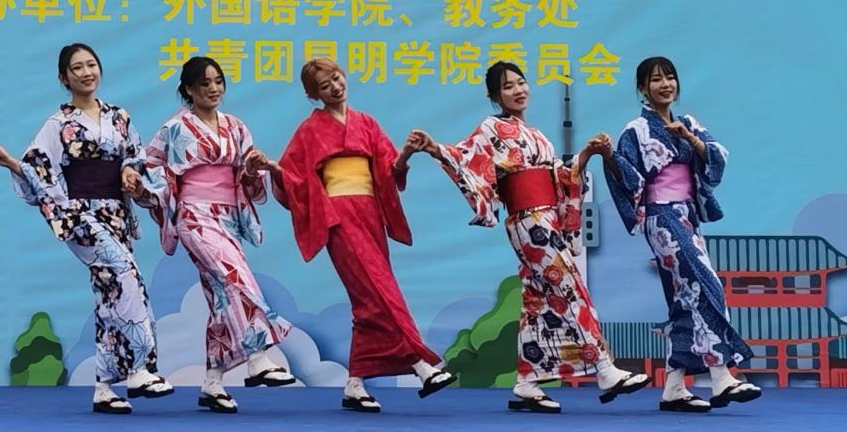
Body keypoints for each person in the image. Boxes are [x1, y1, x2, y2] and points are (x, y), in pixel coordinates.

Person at [414, 61, 649, 413]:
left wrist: (587, 153)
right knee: (570, 288)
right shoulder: (492, 128)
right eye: (508, 86)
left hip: (546, 217)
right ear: (495, 96)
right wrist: (435, 148)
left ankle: (526, 382)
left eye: (521, 83)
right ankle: (604, 368)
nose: (518, 90)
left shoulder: (537, 135)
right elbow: (465, 156)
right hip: (529, 220)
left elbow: (561, 178)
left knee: (536, 302)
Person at [245, 58, 455, 413]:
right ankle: (422, 365)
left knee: (366, 301)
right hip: (338, 216)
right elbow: (296, 180)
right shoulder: (309, 130)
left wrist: (407, 152)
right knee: (381, 291)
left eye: (336, 78)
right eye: (324, 85)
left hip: (370, 214)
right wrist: (274, 168)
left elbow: (389, 173)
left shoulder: (367, 123)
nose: (335, 87)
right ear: (314, 95)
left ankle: (354, 384)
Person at [0, 43, 173, 415]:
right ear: (64, 78)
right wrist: (12, 164)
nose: (87, 73)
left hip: (116, 213)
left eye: (91, 65)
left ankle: (104, 387)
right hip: (81, 215)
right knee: (126, 275)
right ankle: (139, 369)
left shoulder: (119, 116)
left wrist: (130, 174)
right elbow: (39, 168)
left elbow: (135, 157)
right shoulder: (59, 124)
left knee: (111, 293)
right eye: (77, 68)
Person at [133, 57, 296, 414]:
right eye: (204, 83)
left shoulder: (236, 127)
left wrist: (252, 169)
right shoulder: (174, 128)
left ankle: (212, 383)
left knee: (221, 297)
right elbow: (150, 168)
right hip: (194, 215)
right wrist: (142, 188)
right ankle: (257, 357)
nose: (213, 88)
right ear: (189, 89)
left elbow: (246, 177)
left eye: (218, 81)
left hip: (227, 217)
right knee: (236, 276)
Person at [600, 56, 761, 413]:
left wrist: (689, 138)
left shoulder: (688, 123)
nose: (665, 85)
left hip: (688, 215)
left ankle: (674, 388)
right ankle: (721, 376)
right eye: (656, 79)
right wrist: (609, 155)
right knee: (706, 284)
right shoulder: (636, 131)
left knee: (684, 300)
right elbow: (629, 178)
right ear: (642, 88)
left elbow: (717, 158)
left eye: (670, 77)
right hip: (661, 216)